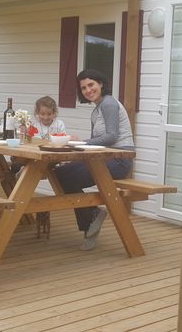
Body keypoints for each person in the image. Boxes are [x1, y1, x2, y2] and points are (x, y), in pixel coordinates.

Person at [53, 69, 134, 251]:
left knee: (68, 177)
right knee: (59, 172)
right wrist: (75, 151)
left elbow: (111, 136)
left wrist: (80, 142)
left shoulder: (109, 103)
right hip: (102, 158)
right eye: (84, 88)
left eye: (91, 85)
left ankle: (89, 221)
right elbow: (96, 143)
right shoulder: (96, 111)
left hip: (119, 160)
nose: (88, 90)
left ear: (101, 84)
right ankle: (92, 214)